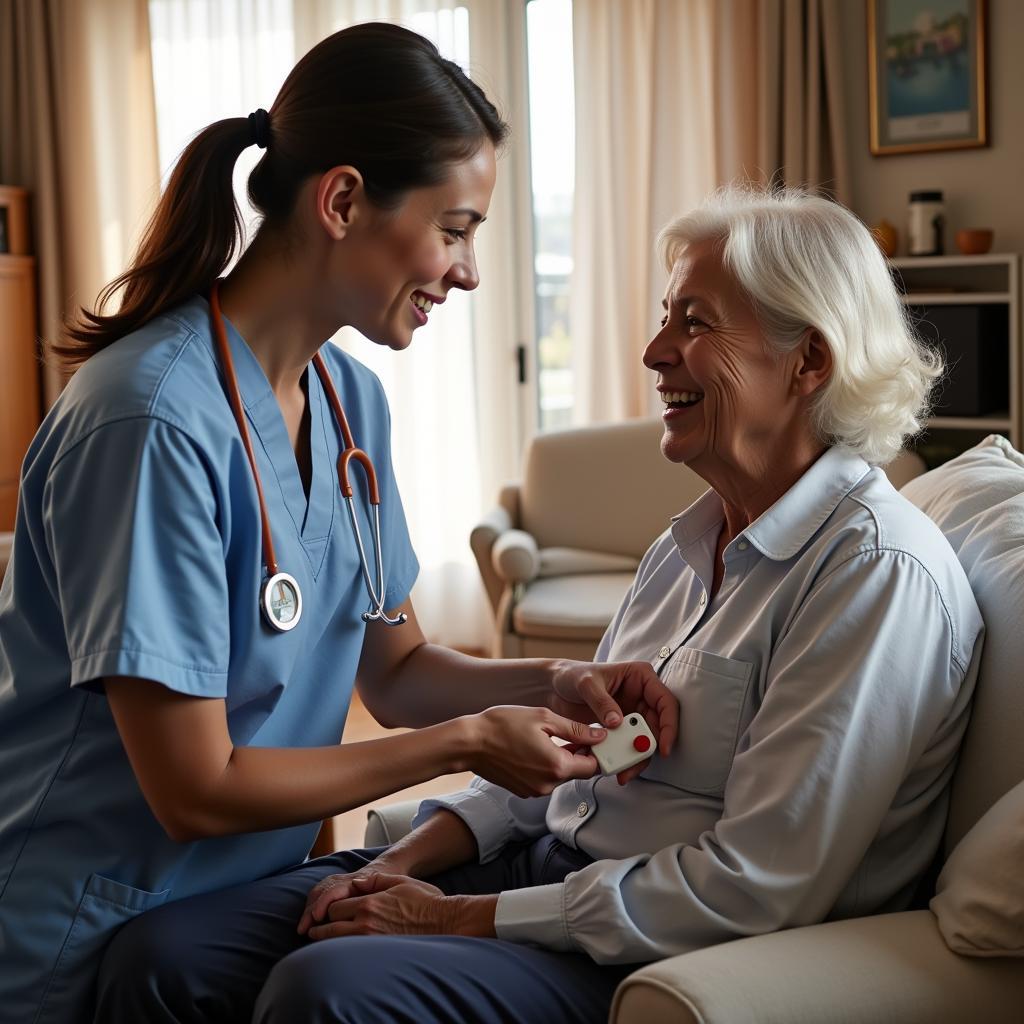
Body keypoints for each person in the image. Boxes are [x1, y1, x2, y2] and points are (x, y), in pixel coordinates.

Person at [94, 186, 984, 1023]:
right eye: (665, 315)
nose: (653, 351)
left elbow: (752, 886)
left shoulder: (875, 574)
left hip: (631, 942)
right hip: (531, 868)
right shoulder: (691, 543)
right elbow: (551, 775)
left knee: (325, 990)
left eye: (694, 322)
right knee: (163, 957)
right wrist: (401, 864)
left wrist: (452, 919)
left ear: (809, 362)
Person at [0, 23, 678, 1024]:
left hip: (220, 916)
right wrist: (466, 743)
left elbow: (395, 671)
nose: (469, 270)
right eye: (454, 228)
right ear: (344, 200)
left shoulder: (347, 401)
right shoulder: (147, 419)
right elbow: (195, 787)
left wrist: (554, 680)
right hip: (83, 928)